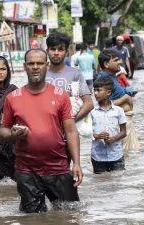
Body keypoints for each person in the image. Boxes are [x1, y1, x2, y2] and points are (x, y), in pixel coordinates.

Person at [0, 49, 82, 213]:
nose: (35, 67)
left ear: (47, 65)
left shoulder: (60, 95)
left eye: (39, 63)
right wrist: (13, 134)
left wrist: (77, 163)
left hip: (58, 167)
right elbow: (3, 130)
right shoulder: (13, 97)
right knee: (32, 219)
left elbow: (71, 131)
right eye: (31, 64)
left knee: (69, 215)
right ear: (25, 67)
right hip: (26, 171)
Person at [45, 32, 93, 165]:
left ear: (66, 52)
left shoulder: (75, 74)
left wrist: (69, 122)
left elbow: (88, 104)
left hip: (66, 137)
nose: (56, 53)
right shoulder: (40, 73)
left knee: (63, 172)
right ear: (47, 50)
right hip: (43, 136)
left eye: (60, 49)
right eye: (53, 49)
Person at [98, 49, 140, 151]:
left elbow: (118, 92)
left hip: (124, 121)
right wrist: (125, 98)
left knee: (129, 155)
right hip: (117, 124)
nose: (120, 62)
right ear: (106, 64)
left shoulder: (112, 77)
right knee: (121, 154)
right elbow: (104, 106)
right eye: (116, 60)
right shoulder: (104, 80)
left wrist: (128, 92)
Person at [91, 76, 127, 174]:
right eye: (94, 90)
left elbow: (124, 132)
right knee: (101, 184)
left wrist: (113, 138)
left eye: (98, 90)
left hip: (116, 155)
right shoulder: (91, 111)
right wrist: (96, 136)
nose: (95, 93)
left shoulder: (118, 111)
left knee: (119, 182)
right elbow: (85, 133)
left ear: (108, 92)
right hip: (98, 156)